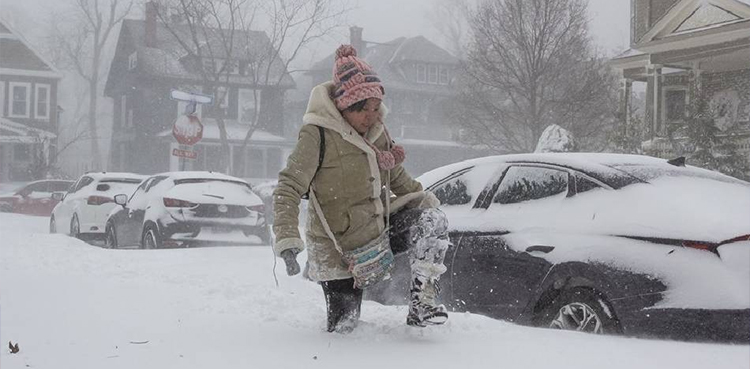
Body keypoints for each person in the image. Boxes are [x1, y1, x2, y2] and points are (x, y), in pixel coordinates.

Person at [272, 45, 451, 333]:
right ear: (344, 105)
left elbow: (400, 180)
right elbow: (288, 187)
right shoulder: (317, 133)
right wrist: (287, 238)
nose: (372, 116)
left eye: (375, 107)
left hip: (377, 233)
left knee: (432, 220)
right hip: (337, 248)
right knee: (345, 329)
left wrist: (431, 203)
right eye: (362, 109)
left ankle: (423, 304)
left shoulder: (377, 134)